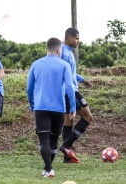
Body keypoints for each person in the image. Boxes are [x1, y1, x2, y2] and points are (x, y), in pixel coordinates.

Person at [27, 37, 76, 177]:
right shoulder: (64, 65)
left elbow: (29, 89)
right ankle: (48, 168)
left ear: (46, 49)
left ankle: (48, 169)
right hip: (58, 109)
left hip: (41, 107)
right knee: (53, 139)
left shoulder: (36, 64)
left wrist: (32, 104)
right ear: (59, 49)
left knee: (44, 140)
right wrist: (72, 107)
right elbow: (70, 87)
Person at [59, 27, 93, 164]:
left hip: (70, 89)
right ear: (69, 37)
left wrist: (82, 80)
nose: (78, 41)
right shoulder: (62, 52)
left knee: (69, 121)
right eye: (77, 38)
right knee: (88, 117)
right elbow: (60, 71)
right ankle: (66, 146)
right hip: (70, 90)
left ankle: (67, 157)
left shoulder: (69, 52)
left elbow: (71, 73)